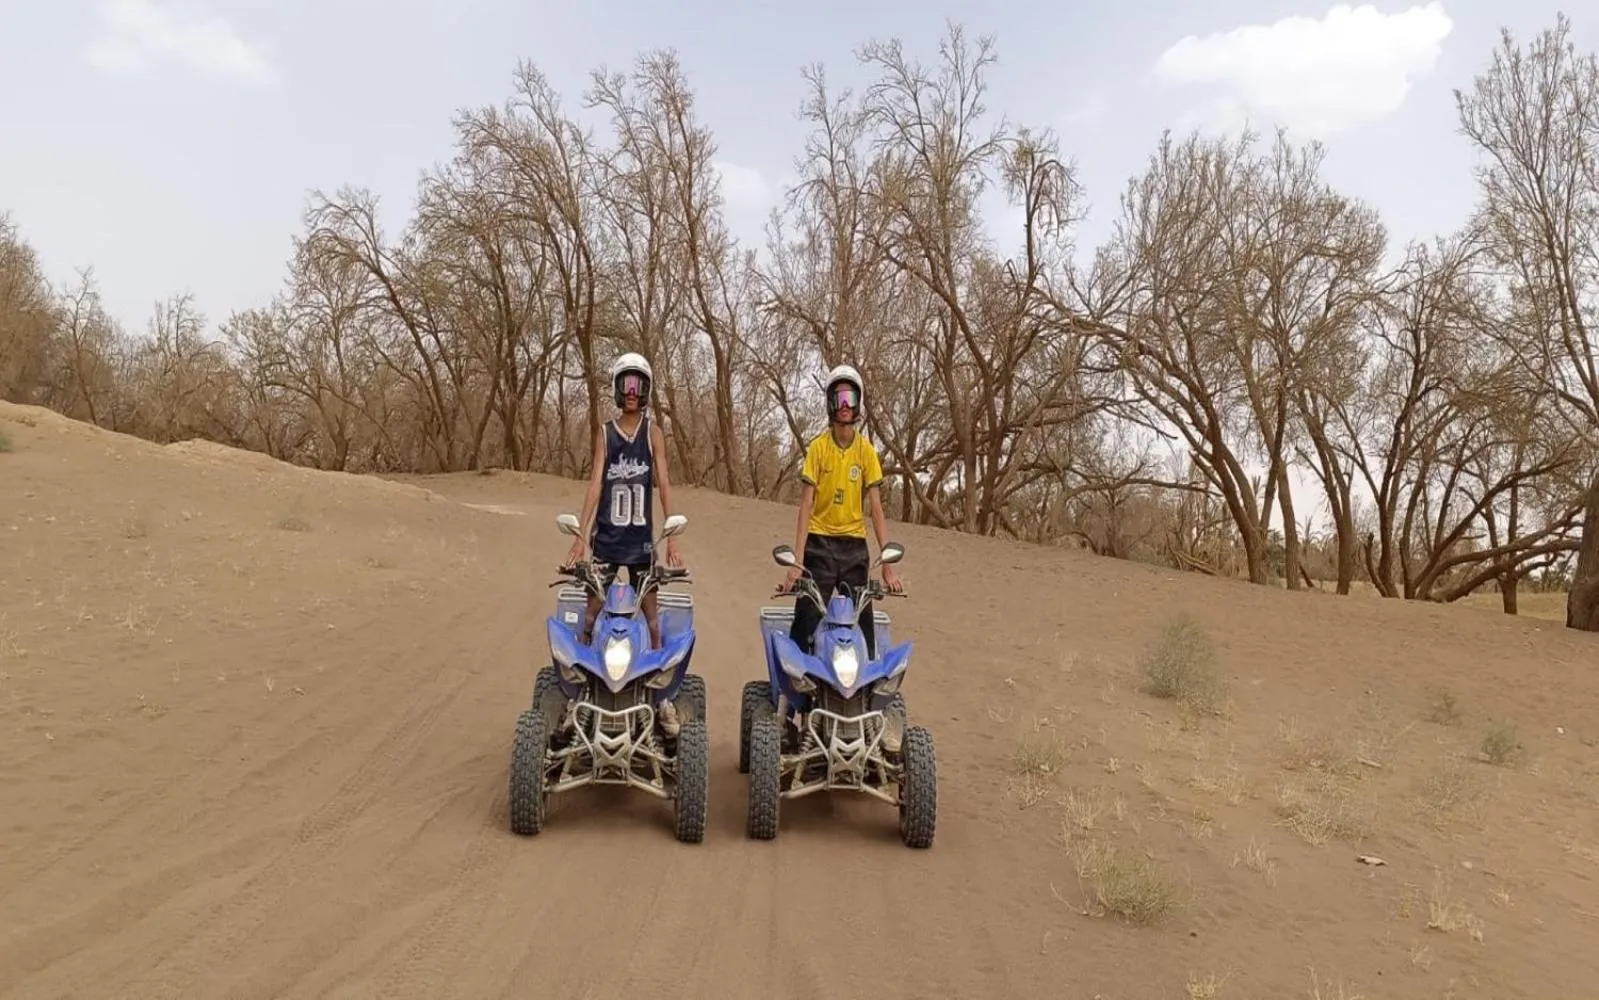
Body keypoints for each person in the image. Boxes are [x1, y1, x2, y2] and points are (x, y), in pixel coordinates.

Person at [565, 351, 685, 735]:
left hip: (641, 543)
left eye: (638, 384)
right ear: (617, 388)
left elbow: (663, 484)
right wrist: (580, 538)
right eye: (625, 384)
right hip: (607, 539)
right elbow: (595, 482)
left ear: (646, 388)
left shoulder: (653, 434)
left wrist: (672, 537)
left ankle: (661, 700)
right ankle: (575, 698)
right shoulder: (605, 433)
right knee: (589, 619)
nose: (631, 392)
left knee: (652, 624)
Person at [779, 364, 903, 662]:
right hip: (819, 546)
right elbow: (806, 506)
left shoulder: (866, 452)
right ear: (831, 403)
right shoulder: (818, 449)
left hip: (854, 550)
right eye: (840, 398)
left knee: (863, 630)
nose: (845, 406)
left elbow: (875, 508)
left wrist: (886, 562)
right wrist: (797, 562)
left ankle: (862, 701)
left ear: (858, 403)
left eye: (850, 398)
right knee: (805, 621)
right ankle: (791, 702)